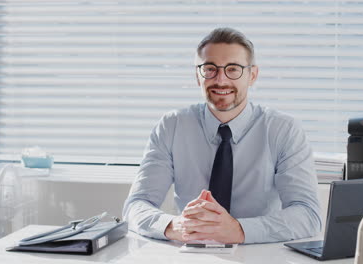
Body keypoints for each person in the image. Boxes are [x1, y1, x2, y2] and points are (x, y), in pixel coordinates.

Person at [122, 27, 322, 244]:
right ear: (198, 76)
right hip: (189, 251)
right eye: (210, 69)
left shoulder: (283, 130)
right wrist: (173, 226)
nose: (221, 80)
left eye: (233, 69)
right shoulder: (172, 126)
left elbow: (308, 215)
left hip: (260, 253)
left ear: (252, 75)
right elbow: (136, 205)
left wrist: (239, 230)